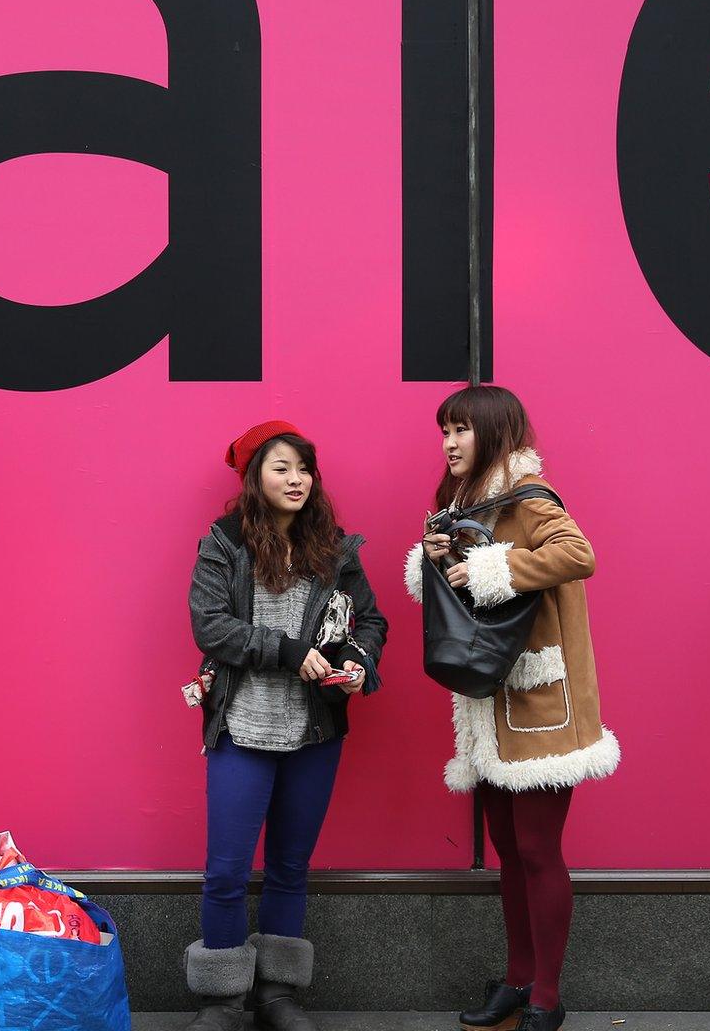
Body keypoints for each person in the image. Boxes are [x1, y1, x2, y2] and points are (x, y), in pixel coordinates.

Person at [409, 385, 618, 1031]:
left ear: (495, 433)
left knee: (536, 848)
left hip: (541, 703)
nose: (449, 442)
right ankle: (518, 980)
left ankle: (548, 998)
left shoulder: (530, 499)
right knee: (506, 844)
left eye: (462, 429)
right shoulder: (461, 505)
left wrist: (495, 566)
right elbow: (462, 594)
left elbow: (577, 555)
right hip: (491, 705)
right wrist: (443, 561)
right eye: (444, 429)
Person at [184, 421, 388, 1031]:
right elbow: (210, 625)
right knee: (225, 869)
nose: (296, 479)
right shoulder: (223, 543)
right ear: (255, 477)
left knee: (289, 867)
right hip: (242, 727)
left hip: (313, 733)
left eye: (303, 468)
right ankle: (220, 1001)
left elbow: (371, 622)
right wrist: (288, 650)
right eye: (281, 467)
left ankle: (278, 995)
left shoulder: (334, 549)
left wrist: (359, 666)